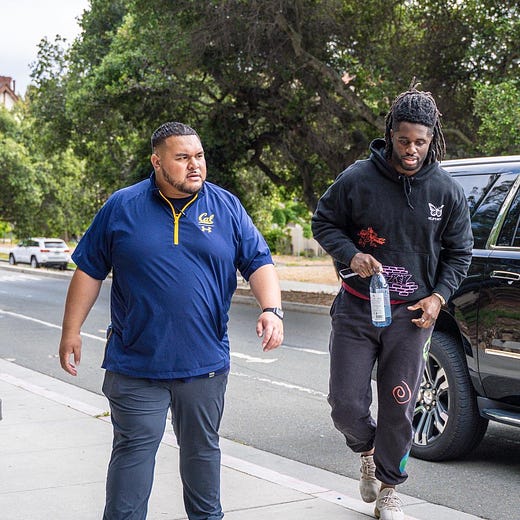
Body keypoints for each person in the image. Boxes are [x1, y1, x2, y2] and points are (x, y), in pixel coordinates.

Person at [59, 122, 284, 520]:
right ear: (157, 161)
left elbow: (258, 261)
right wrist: (70, 331)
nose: (194, 165)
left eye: (199, 156)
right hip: (135, 363)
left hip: (204, 363)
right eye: (182, 158)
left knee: (202, 454)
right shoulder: (122, 206)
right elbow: (89, 270)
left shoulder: (227, 207)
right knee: (133, 452)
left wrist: (272, 309)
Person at [311, 83, 473, 520]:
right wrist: (351, 255)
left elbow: (460, 252)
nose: (411, 150)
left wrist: (439, 297)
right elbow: (323, 222)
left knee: (400, 405)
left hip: (413, 317)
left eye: (420, 142)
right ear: (390, 134)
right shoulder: (357, 179)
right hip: (357, 309)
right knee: (345, 406)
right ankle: (366, 451)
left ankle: (389, 489)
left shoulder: (446, 190)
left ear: (432, 139)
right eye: (404, 141)